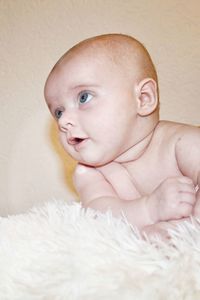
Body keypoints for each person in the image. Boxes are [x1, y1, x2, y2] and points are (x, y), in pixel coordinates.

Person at [44, 33, 200, 236]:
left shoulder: (179, 141)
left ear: (143, 99)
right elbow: (99, 217)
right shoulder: (89, 173)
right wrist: (149, 209)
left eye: (83, 97)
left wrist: (194, 225)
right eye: (58, 112)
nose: (64, 122)